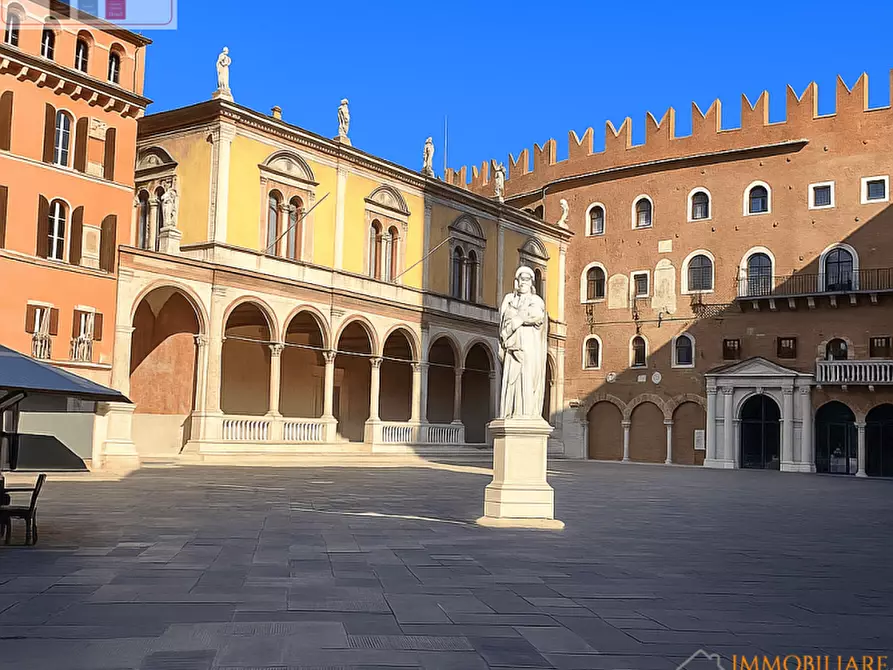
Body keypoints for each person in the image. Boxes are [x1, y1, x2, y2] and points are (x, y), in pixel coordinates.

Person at [498, 266, 548, 418]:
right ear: (516, 281)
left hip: (528, 347)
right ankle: (510, 413)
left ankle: (526, 413)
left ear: (531, 282)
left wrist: (517, 319)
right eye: (521, 279)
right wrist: (513, 321)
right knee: (511, 381)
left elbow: (538, 315)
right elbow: (503, 320)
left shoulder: (535, 300)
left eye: (526, 279)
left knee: (525, 379)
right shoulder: (510, 300)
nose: (523, 283)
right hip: (511, 347)